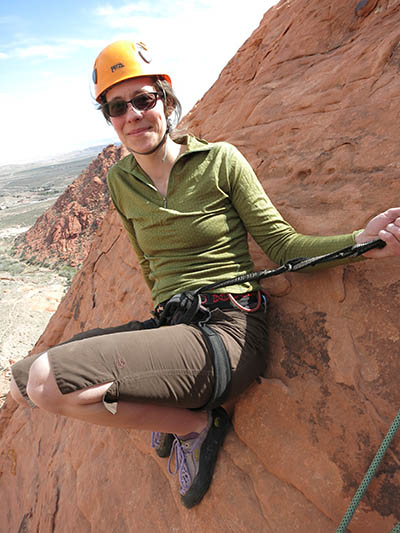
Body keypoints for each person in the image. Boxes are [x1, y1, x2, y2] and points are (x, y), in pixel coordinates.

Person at [9, 40, 400, 509]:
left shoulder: (221, 161)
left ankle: (193, 424)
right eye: (118, 106)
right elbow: (151, 266)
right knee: (21, 380)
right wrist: (158, 336)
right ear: (109, 118)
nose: (133, 115)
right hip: (175, 323)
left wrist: (360, 242)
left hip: (227, 331)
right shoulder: (121, 181)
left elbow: (281, 244)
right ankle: (165, 393)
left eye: (143, 100)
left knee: (48, 382)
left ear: (166, 101)